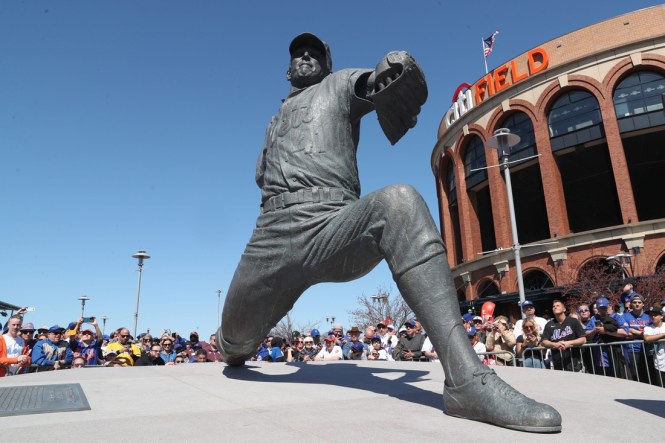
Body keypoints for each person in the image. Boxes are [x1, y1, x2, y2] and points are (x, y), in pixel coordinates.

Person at [216, 32, 561, 432]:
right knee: (233, 346)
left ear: (327, 63)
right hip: (271, 237)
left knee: (400, 202)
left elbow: (373, 84)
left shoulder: (340, 84)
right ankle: (241, 332)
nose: (306, 59)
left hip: (330, 226)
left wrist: (391, 66)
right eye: (298, 55)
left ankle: (468, 381)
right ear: (287, 69)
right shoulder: (273, 122)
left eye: (315, 54)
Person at [541, 300, 586, 372]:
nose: (555, 307)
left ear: (564, 309)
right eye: (553, 306)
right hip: (558, 363)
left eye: (558, 305)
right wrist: (555, 344)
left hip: (574, 361)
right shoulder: (549, 324)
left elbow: (583, 339)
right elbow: (544, 341)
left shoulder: (573, 321)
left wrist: (568, 343)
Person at [622, 293, 652, 383]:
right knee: (635, 376)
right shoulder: (625, 316)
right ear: (631, 304)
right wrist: (643, 334)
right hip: (632, 350)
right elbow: (625, 332)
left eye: (639, 302)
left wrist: (634, 332)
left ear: (643, 304)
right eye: (634, 302)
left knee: (648, 376)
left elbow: (651, 333)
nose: (637, 304)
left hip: (647, 350)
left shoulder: (649, 317)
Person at [643, 306, 665, 387]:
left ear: (661, 316)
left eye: (655, 315)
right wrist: (663, 335)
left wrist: (656, 336)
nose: (653, 317)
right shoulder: (648, 328)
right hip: (659, 362)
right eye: (651, 315)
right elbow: (647, 338)